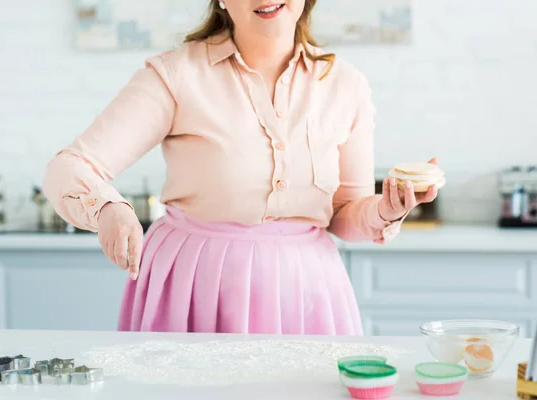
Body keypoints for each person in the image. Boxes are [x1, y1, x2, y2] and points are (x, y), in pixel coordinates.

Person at [43, 0, 439, 335]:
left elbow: (344, 216)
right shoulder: (175, 75)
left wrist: (386, 210)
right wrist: (107, 208)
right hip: (194, 286)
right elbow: (71, 165)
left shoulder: (345, 85)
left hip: (308, 290)